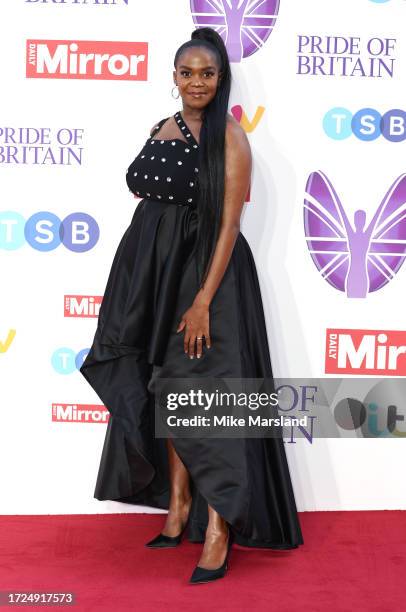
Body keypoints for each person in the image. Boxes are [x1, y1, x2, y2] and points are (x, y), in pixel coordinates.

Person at [80, 26, 304, 585]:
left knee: (206, 399)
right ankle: (178, 511)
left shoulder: (229, 137)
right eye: (187, 72)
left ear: (221, 77)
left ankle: (219, 530)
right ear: (174, 76)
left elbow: (229, 223)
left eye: (208, 73)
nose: (197, 81)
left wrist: (203, 299)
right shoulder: (163, 126)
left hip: (210, 279)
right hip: (157, 277)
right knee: (166, 388)